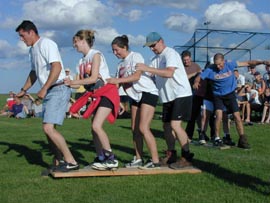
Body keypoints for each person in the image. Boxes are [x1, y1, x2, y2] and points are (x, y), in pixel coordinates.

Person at [15, 20, 79, 172]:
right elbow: (34, 73)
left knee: (48, 128)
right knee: (49, 130)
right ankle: (57, 163)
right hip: (51, 90)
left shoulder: (46, 44)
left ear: (31, 32)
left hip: (58, 88)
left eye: (22, 35)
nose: (21, 39)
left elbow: (56, 68)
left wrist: (44, 89)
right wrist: (23, 90)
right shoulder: (32, 50)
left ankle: (71, 161)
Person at [136, 32, 194, 169]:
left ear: (161, 41)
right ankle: (171, 154)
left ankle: (186, 156)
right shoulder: (155, 59)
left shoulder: (170, 53)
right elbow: (149, 75)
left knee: (175, 125)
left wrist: (146, 68)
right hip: (168, 96)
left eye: (153, 45)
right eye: (149, 47)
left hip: (181, 94)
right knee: (166, 126)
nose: (152, 48)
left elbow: (169, 73)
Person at [64, 29, 119, 171]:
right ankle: (100, 157)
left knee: (96, 125)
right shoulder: (82, 60)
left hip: (107, 92)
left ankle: (111, 158)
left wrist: (72, 83)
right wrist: (71, 82)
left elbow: (94, 78)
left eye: (76, 42)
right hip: (96, 94)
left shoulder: (95, 55)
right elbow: (84, 82)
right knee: (93, 129)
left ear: (83, 41)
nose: (74, 45)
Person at [107, 35, 160, 169]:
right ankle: (138, 158)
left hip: (148, 92)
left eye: (116, 50)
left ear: (124, 47)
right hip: (136, 96)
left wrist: (117, 81)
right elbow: (117, 85)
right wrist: (117, 100)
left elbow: (136, 76)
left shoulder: (136, 56)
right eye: (113, 51)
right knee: (134, 129)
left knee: (143, 128)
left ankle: (155, 161)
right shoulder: (120, 65)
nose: (114, 53)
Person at [193, 53, 265, 149]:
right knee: (218, 116)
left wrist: (263, 62)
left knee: (237, 116)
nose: (218, 67)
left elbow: (248, 62)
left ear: (224, 61)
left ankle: (242, 139)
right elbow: (200, 76)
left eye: (220, 64)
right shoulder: (211, 69)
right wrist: (196, 82)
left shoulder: (230, 64)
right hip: (218, 96)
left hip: (230, 94)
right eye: (216, 64)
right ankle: (217, 138)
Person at [181, 50, 203, 141]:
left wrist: (197, 79)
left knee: (197, 115)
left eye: (187, 59)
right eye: (184, 60)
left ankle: (200, 133)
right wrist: (194, 74)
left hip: (195, 93)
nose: (186, 62)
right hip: (185, 93)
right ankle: (185, 134)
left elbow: (201, 74)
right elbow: (183, 78)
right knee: (189, 115)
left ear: (190, 58)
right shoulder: (181, 67)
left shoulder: (196, 66)